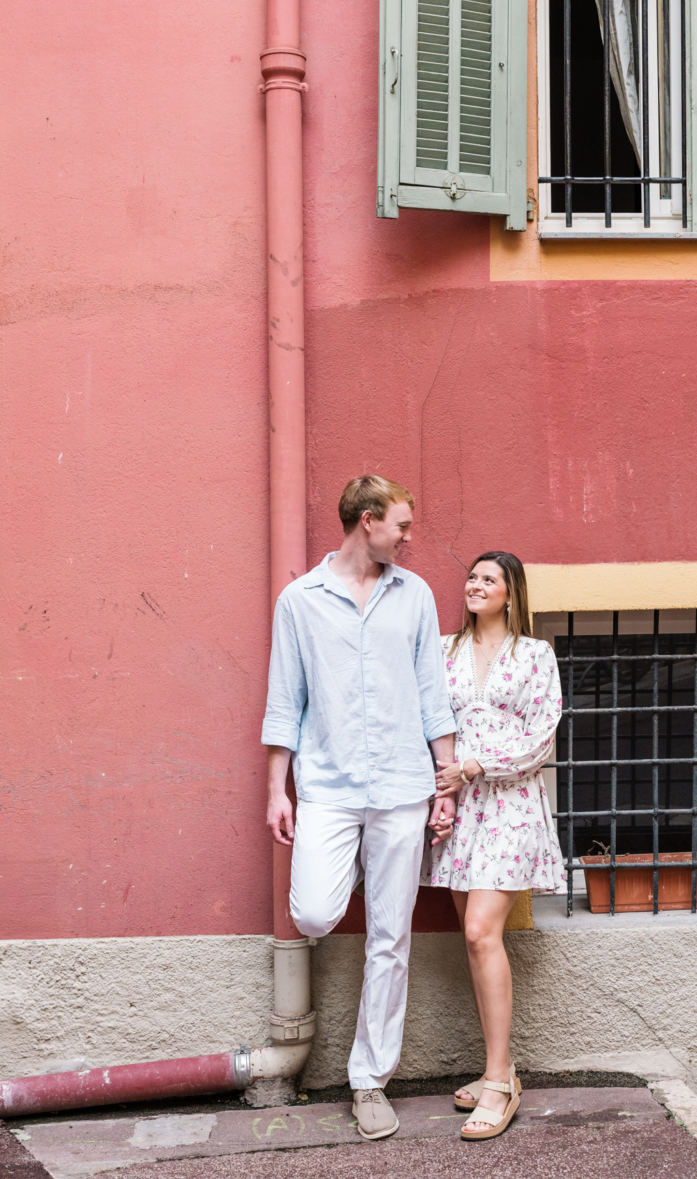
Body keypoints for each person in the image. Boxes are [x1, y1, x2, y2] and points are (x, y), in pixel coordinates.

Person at [261, 475, 456, 1143]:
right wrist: (275, 789)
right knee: (314, 908)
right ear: (367, 521)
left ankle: (369, 1079)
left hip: (403, 787)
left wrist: (446, 781)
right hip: (330, 788)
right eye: (401, 525)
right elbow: (285, 698)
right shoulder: (300, 602)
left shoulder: (416, 596)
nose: (408, 536)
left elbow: (434, 692)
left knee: (390, 939)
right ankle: (359, 870)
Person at [426, 551, 566, 1141]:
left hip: (510, 803)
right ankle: (500, 1067)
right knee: (475, 941)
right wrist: (442, 794)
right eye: (472, 577)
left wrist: (476, 766)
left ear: (511, 593)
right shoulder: (441, 650)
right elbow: (430, 723)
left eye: (489, 579)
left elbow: (543, 740)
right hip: (460, 812)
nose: (475, 585)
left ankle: (499, 1083)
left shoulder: (535, 655)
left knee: (483, 932)